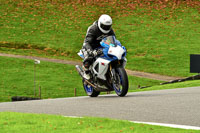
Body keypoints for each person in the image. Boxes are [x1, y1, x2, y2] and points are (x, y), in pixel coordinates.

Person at [82, 14, 116, 80]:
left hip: (102, 47)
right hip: (90, 46)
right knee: (89, 57)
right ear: (100, 23)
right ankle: (86, 71)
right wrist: (91, 51)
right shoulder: (93, 29)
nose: (106, 28)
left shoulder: (110, 30)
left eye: (107, 26)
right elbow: (87, 42)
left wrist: (114, 46)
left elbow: (113, 40)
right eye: (104, 26)